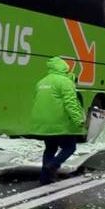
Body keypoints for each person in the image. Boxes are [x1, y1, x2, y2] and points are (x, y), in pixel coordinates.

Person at [24, 57, 87, 185]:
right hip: (60, 122)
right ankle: (54, 165)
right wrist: (79, 120)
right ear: (65, 67)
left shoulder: (41, 82)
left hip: (43, 122)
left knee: (50, 148)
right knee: (70, 147)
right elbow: (71, 103)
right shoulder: (65, 82)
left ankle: (45, 178)